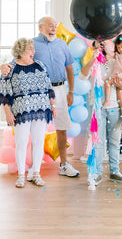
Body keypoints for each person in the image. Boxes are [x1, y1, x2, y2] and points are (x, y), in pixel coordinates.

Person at [0, 17, 79, 178]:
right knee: (35, 131)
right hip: (39, 94)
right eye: (50, 26)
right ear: (41, 27)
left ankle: (64, 165)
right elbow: (16, 61)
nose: (53, 28)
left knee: (62, 127)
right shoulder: (32, 44)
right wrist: (2, 66)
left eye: (55, 26)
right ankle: (32, 168)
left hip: (60, 89)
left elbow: (69, 67)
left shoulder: (61, 44)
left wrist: (71, 91)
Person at [0, 38, 57, 188]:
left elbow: (49, 87)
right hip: (21, 112)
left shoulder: (40, 66)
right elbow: (4, 93)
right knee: (21, 143)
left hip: (41, 109)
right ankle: (20, 176)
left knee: (39, 142)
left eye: (33, 48)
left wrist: (54, 105)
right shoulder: (10, 69)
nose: (33, 51)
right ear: (21, 50)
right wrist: (7, 113)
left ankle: (36, 174)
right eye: (30, 49)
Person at [79, 39, 122, 185]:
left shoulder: (118, 62)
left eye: (106, 42)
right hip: (97, 107)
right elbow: (82, 76)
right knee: (98, 141)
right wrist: (92, 59)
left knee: (115, 141)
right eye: (99, 43)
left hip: (115, 107)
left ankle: (115, 172)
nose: (103, 45)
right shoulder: (95, 62)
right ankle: (97, 173)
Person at [103, 34, 122, 129]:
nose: (120, 49)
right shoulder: (117, 55)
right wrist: (105, 45)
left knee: (120, 98)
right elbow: (110, 53)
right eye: (118, 47)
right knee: (120, 99)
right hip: (116, 76)